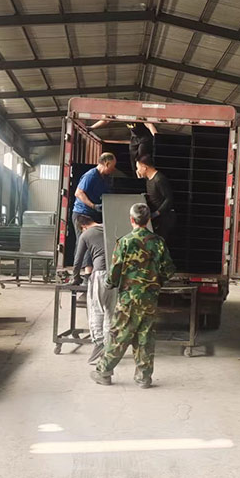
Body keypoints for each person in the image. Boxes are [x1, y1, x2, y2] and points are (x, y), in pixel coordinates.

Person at [90, 203, 176, 389]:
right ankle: (143, 378)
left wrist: (109, 284)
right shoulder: (158, 242)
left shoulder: (125, 242)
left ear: (131, 220)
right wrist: (156, 282)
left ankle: (103, 372)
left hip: (128, 299)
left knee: (119, 335)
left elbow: (115, 271)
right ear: (149, 219)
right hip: (149, 299)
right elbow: (169, 269)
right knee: (145, 337)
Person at [71, 215, 117, 365]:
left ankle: (98, 345)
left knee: (96, 311)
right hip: (116, 275)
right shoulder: (109, 228)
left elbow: (78, 260)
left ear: (83, 227)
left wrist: (75, 278)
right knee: (110, 312)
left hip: (100, 275)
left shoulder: (86, 234)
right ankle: (108, 348)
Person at [71, 153, 117, 276]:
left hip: (93, 213)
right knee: (86, 241)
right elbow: (78, 193)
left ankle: (90, 272)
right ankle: (85, 274)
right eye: (113, 166)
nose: (114, 169)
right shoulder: (90, 176)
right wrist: (93, 205)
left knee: (94, 242)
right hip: (82, 215)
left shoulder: (104, 178)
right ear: (106, 164)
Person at [91, 119, 157, 175]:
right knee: (133, 160)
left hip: (145, 138)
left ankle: (144, 175)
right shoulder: (122, 115)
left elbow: (149, 124)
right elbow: (106, 120)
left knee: (141, 155)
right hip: (134, 139)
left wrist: (156, 137)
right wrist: (92, 127)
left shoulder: (137, 114)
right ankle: (136, 177)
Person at [135, 154, 176, 242]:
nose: (137, 171)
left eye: (138, 168)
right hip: (157, 218)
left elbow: (169, 199)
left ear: (144, 167)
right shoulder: (148, 179)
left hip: (164, 218)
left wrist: (157, 213)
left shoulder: (159, 179)